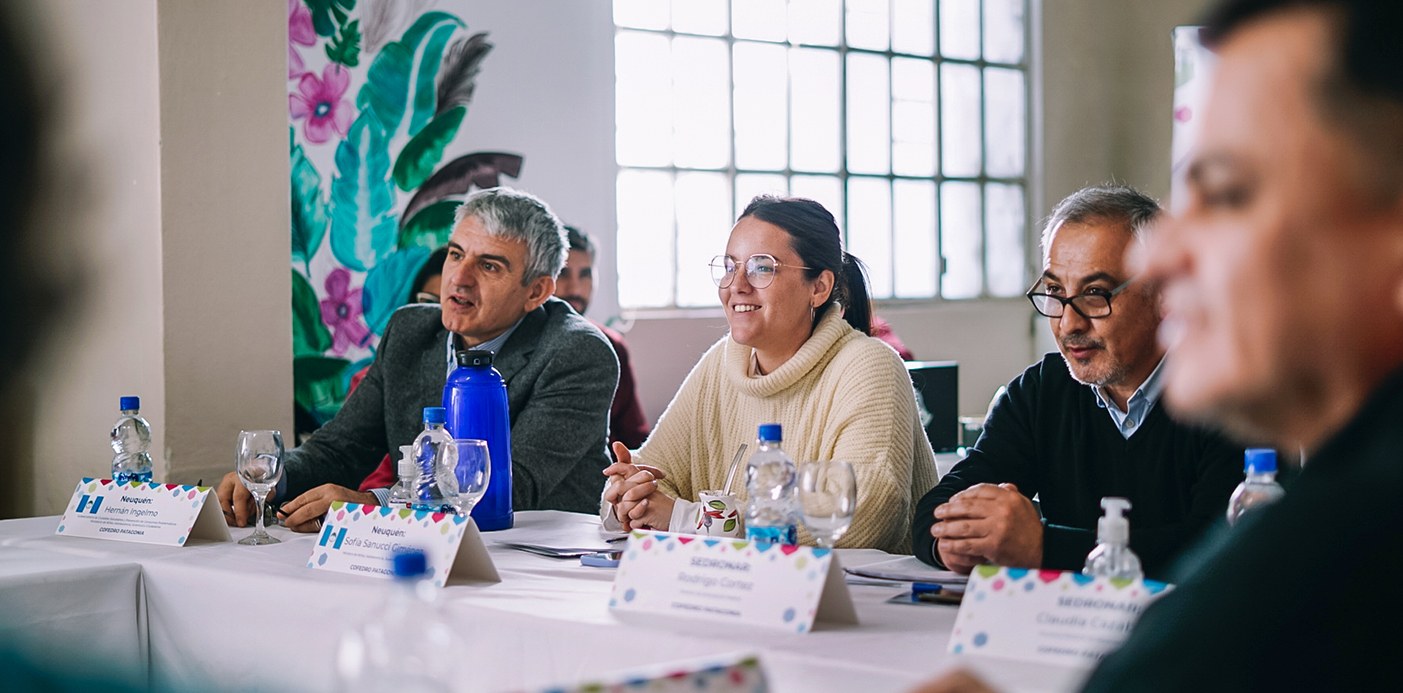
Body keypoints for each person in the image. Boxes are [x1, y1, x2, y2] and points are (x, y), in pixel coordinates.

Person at [918, 1, 1403, 691]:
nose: (1169, 254)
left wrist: (1042, 545)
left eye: (1229, 192)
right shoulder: (1340, 490)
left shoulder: (1356, 536)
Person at [218, 187, 619, 530]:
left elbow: (510, 487)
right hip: (423, 546)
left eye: (489, 266)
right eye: (456, 255)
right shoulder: (411, 331)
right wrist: (273, 478)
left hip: (541, 563)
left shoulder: (578, 353)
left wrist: (379, 504)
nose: (459, 278)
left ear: (537, 292)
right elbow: (341, 449)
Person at [911, 186, 1244, 580]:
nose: (1069, 324)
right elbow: (936, 512)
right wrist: (958, 541)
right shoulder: (1040, 393)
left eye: (1094, 294)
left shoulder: (1232, 398)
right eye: (1054, 291)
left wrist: (1043, 547)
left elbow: (1219, 552)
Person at [601, 196, 937, 553]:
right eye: (730, 266)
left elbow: (864, 519)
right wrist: (629, 495)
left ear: (819, 287)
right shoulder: (722, 364)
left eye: (762, 267)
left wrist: (689, 519)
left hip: (859, 602)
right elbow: (656, 476)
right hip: (735, 590)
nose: (737, 285)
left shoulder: (868, 366)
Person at [554, 225, 650, 449]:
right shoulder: (523, 346)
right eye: (563, 273)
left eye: (585, 274)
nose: (575, 288)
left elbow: (635, 437)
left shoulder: (612, 346)